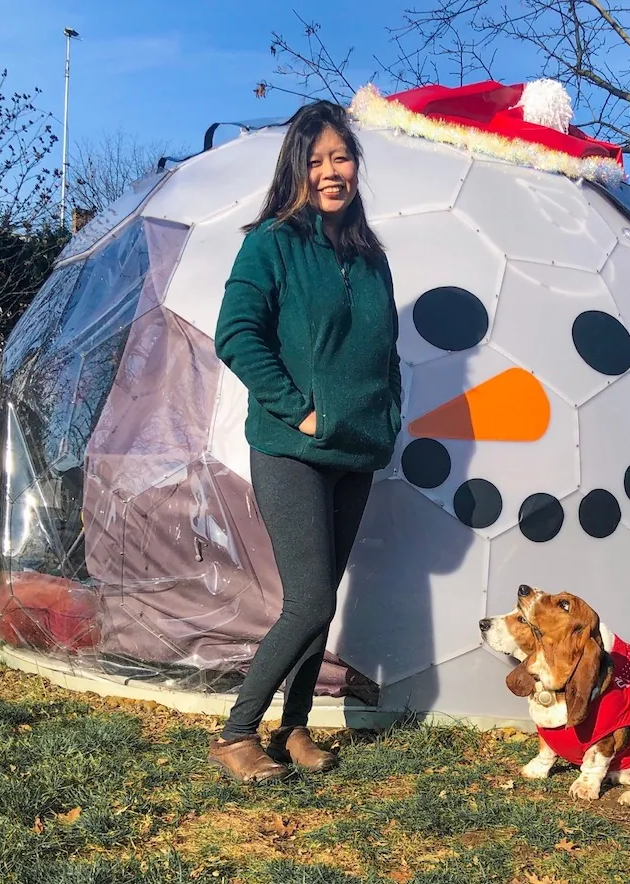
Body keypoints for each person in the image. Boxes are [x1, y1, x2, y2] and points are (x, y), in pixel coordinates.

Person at [210, 100, 402, 783]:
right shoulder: (271, 242)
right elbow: (235, 332)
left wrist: (387, 418)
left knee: (325, 599)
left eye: (341, 158)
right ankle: (237, 733)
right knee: (310, 601)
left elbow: (388, 354)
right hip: (292, 449)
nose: (331, 172)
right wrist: (300, 410)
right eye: (316, 160)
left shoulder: (370, 258)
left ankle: (293, 731)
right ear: (297, 169)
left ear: (356, 166)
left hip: (356, 453)